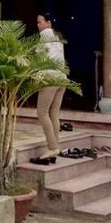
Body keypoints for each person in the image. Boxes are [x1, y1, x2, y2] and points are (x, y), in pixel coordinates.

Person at [32, 13, 67, 165]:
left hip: (50, 77)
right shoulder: (58, 37)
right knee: (54, 113)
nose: (38, 25)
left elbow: (39, 60)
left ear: (48, 23)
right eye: (37, 22)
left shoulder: (44, 35)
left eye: (40, 22)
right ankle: (55, 148)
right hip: (62, 78)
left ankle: (52, 147)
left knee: (42, 112)